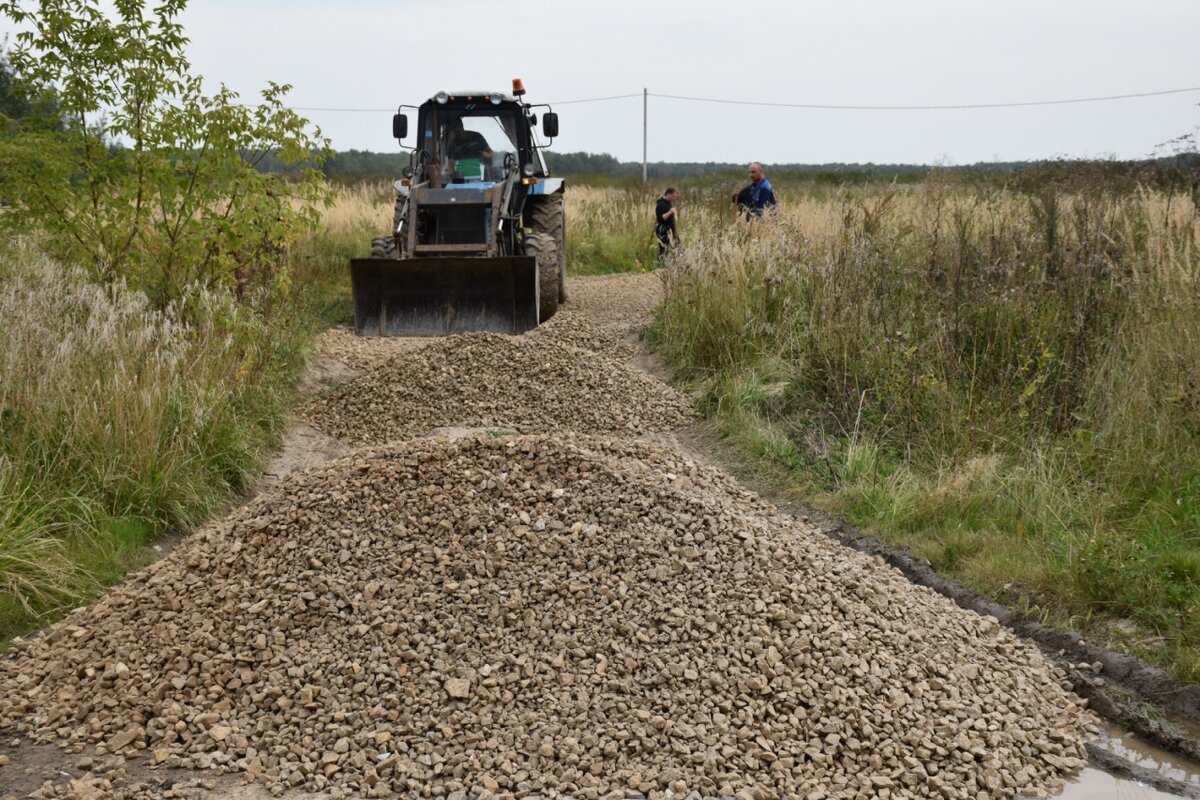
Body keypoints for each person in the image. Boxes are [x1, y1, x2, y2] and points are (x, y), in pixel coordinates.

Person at [655, 187, 680, 258]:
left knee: (677, 245)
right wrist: (670, 212)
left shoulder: (668, 203)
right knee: (664, 249)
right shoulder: (661, 204)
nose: (674, 198)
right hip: (663, 230)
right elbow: (661, 218)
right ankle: (662, 265)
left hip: (671, 230)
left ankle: (673, 263)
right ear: (668, 194)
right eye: (673, 196)